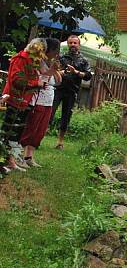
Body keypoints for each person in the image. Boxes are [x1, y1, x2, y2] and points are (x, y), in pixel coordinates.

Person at [1, 38, 47, 171]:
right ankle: (7, 161)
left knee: (18, 132)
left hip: (24, 100)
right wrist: (35, 84)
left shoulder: (32, 61)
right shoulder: (21, 59)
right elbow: (16, 80)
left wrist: (38, 83)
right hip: (14, 99)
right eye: (40, 51)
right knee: (10, 131)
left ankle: (11, 161)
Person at [20, 38, 62, 167]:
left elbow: (59, 81)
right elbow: (44, 77)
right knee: (32, 126)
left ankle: (29, 156)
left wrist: (55, 70)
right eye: (55, 50)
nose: (57, 53)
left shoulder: (50, 63)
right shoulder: (40, 62)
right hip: (38, 98)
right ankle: (19, 155)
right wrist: (53, 70)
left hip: (49, 99)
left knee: (41, 129)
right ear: (48, 50)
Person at [51, 34, 92, 149]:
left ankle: (60, 142)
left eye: (75, 43)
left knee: (66, 116)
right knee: (50, 113)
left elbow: (88, 76)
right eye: (71, 43)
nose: (73, 45)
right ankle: (38, 138)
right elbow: (54, 71)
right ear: (68, 44)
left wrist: (76, 72)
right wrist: (60, 72)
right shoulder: (62, 58)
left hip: (72, 91)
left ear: (79, 45)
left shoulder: (83, 61)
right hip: (58, 89)